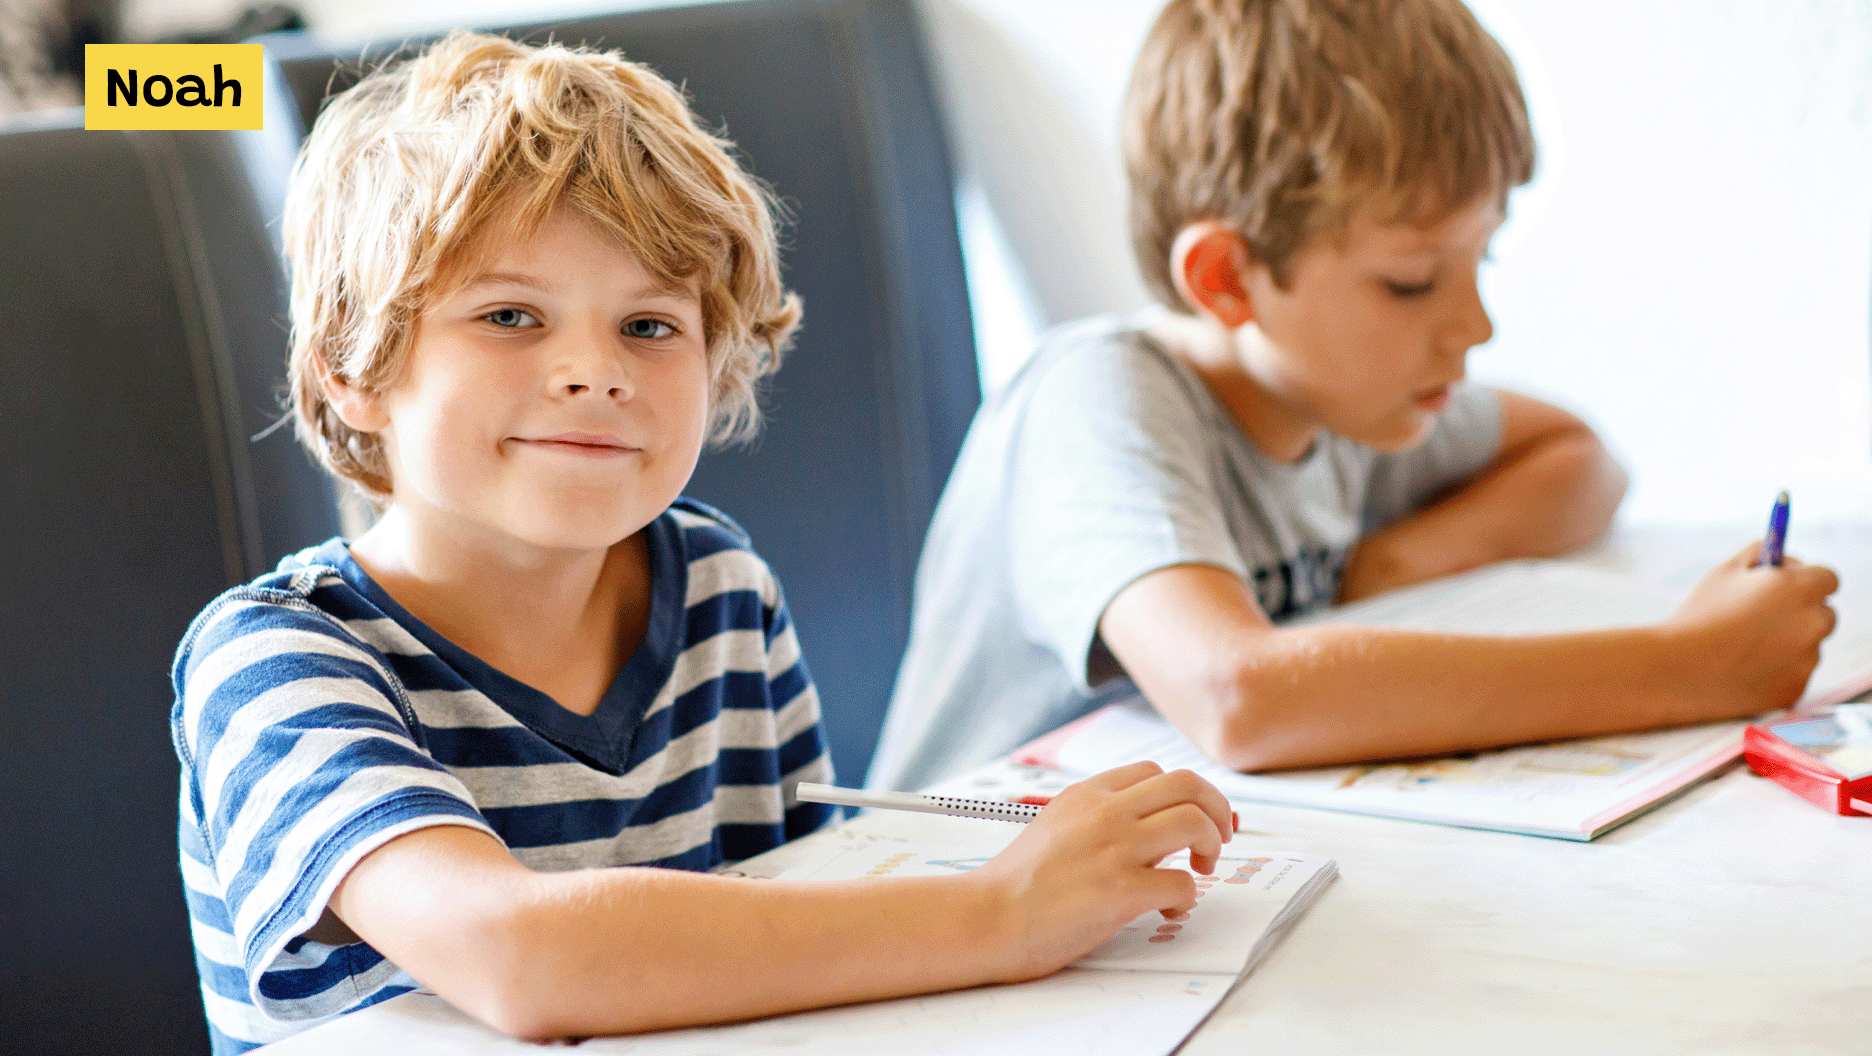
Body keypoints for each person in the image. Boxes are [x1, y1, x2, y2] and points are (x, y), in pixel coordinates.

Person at [171, 33, 1234, 1055]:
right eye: (509, 317)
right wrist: (1002, 911)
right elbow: (517, 957)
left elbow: (797, 923)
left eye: (649, 325)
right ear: (353, 368)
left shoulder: (721, 588)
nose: (597, 369)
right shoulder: (274, 662)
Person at [867, 0, 1839, 793]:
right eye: (1413, 281)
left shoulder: (1345, 406)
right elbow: (1238, 697)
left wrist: (1401, 560)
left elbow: (1583, 459)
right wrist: (1677, 667)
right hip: (941, 911)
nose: (1476, 326)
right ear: (1227, 279)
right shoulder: (1098, 398)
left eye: (1481, 260)